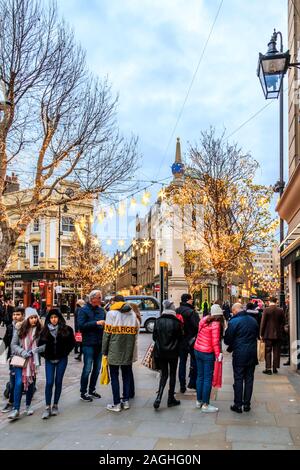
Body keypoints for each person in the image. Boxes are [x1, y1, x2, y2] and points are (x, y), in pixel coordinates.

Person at [102, 295, 139, 412]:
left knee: (114, 377)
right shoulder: (132, 314)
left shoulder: (111, 314)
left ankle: (117, 403)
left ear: (114, 302)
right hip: (128, 349)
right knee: (126, 376)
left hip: (114, 349)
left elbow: (107, 334)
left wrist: (104, 351)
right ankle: (126, 401)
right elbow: (135, 333)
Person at [38, 308, 75, 419]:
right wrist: (45, 355)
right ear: (49, 319)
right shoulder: (44, 331)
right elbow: (40, 346)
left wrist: (64, 353)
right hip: (49, 359)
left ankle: (55, 405)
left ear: (59, 318)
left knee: (58, 381)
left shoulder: (67, 329)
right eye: (52, 318)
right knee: (49, 382)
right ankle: (47, 406)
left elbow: (72, 343)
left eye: (55, 317)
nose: (54, 319)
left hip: (62, 359)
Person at [8, 307, 44, 421]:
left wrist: (35, 351)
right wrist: (24, 352)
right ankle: (16, 409)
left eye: (35, 318)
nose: (33, 320)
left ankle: (28, 406)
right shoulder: (20, 329)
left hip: (33, 362)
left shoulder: (40, 331)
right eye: (31, 318)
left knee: (30, 384)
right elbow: (13, 345)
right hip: (20, 360)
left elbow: (44, 345)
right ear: (27, 319)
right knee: (19, 383)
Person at [224, 303, 259, 413]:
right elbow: (256, 335)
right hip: (252, 353)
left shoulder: (234, 322)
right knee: (249, 378)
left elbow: (227, 340)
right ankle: (247, 404)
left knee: (238, 378)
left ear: (234, 310)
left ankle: (238, 405)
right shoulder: (253, 320)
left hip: (239, 354)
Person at [153, 300, 183, 410]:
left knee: (164, 375)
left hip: (161, 352)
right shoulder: (177, 322)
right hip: (173, 352)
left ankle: (159, 397)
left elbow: (154, 337)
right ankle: (170, 399)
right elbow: (180, 338)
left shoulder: (158, 321)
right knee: (173, 374)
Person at [194, 304, 223, 413]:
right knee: (207, 378)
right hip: (207, 352)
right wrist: (217, 354)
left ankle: (199, 401)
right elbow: (215, 341)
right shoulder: (215, 324)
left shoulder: (204, 320)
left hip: (197, 349)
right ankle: (205, 404)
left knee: (200, 376)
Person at [78, 290, 106, 401]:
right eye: (99, 297)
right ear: (92, 298)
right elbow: (81, 326)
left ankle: (92, 390)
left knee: (97, 368)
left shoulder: (101, 310)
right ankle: (83, 392)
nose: (100, 299)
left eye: (100, 297)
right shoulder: (83, 310)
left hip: (99, 343)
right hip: (88, 344)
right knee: (87, 369)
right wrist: (96, 323)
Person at [1, 307, 25, 413]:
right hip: (13, 358)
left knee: (22, 382)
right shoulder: (10, 327)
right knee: (13, 380)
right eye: (14, 314)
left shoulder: (26, 327)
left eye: (18, 314)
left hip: (25, 358)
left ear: (23, 315)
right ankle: (11, 402)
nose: (15, 316)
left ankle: (20, 403)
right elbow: (6, 341)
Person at [176, 293, 199, 393]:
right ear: (187, 300)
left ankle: (182, 385)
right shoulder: (191, 312)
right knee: (194, 361)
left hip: (180, 341)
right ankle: (192, 383)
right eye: (191, 299)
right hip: (191, 340)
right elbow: (197, 327)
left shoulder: (176, 311)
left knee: (182, 362)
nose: (192, 301)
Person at [260, 297, 285, 375]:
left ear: (269, 302)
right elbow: (283, 322)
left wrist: (261, 333)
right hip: (278, 335)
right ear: (276, 301)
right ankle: (275, 368)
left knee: (268, 351)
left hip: (268, 334)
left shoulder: (266, 310)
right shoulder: (280, 310)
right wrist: (280, 331)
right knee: (276, 351)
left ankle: (268, 368)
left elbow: (263, 323)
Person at [128, 302, 141, 399]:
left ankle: (130, 391)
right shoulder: (136, 318)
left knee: (127, 371)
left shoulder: (134, 319)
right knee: (128, 370)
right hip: (132, 346)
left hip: (130, 347)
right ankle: (130, 391)